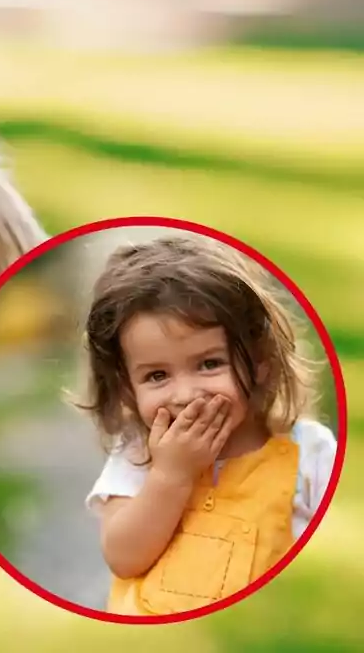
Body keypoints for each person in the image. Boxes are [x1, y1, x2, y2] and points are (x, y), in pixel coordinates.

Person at [75, 234, 338, 616]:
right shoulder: (138, 454)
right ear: (126, 386)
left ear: (261, 360)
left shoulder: (309, 452)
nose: (185, 394)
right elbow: (123, 558)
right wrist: (170, 475)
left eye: (210, 364)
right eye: (157, 376)